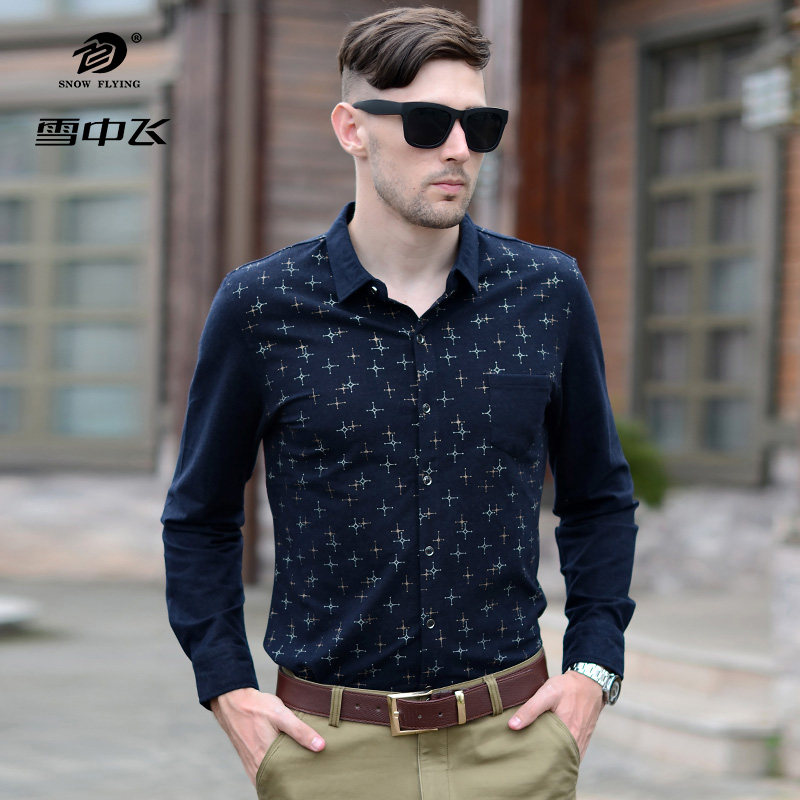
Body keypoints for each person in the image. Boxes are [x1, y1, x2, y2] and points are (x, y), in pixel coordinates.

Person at [162, 6, 637, 799]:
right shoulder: (261, 305)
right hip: (327, 750)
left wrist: (594, 665)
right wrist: (226, 685)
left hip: (514, 742)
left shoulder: (549, 293)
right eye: (427, 122)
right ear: (352, 129)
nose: (458, 148)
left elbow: (598, 497)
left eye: (479, 124)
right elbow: (199, 516)